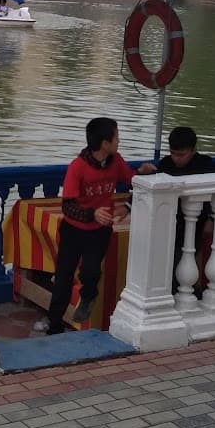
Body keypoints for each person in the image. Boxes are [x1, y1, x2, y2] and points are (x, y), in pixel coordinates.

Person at [45, 117, 155, 334]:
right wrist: (93, 213)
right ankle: (54, 325)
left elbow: (132, 180)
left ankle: (88, 296)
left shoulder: (116, 161)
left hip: (99, 231)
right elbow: (68, 206)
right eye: (116, 137)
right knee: (63, 279)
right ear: (105, 143)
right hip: (73, 230)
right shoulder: (77, 167)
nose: (118, 142)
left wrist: (142, 173)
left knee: (91, 271)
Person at [159, 126, 215, 292]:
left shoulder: (205, 165)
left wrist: (212, 218)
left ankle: (193, 291)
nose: (176, 159)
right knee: (174, 263)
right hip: (174, 225)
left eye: (181, 155)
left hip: (200, 223)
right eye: (173, 153)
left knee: (191, 262)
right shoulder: (166, 165)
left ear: (193, 150)